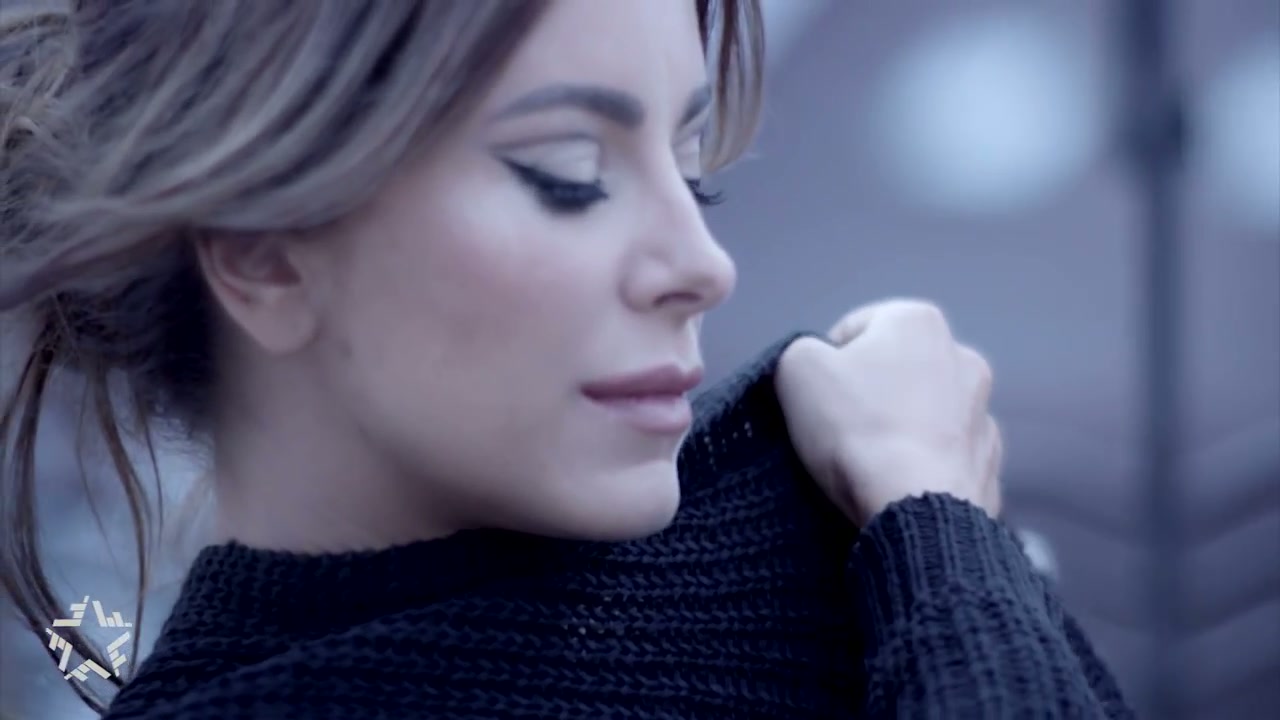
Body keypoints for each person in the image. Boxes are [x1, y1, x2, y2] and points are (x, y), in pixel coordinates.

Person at [0, 1, 1134, 718]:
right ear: (263, 255)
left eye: (692, 169)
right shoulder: (901, 534)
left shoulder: (813, 519)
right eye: (569, 173)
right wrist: (941, 525)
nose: (703, 266)